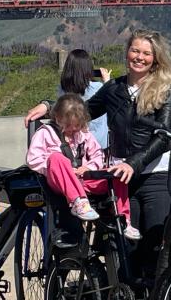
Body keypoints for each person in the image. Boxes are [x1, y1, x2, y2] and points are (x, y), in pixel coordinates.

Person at [25, 29, 171, 285]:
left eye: (146, 53)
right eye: (134, 50)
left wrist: (135, 163)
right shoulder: (114, 88)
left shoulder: (166, 91)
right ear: (127, 52)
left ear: (156, 58)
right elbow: (80, 111)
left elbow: (164, 136)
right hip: (119, 177)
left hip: (154, 175)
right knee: (127, 253)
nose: (138, 57)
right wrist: (48, 105)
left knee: (155, 248)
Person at [26, 94, 140, 240]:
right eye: (68, 127)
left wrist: (89, 167)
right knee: (57, 158)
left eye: (76, 128)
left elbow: (98, 155)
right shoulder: (45, 133)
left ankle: (123, 218)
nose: (72, 131)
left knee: (118, 170)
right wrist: (59, 168)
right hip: (58, 181)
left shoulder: (83, 134)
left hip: (83, 177)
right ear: (58, 118)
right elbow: (33, 160)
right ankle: (79, 202)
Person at [58, 49, 111, 148]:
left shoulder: (62, 89)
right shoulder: (98, 87)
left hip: (73, 143)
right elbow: (112, 101)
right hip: (98, 144)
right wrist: (107, 82)